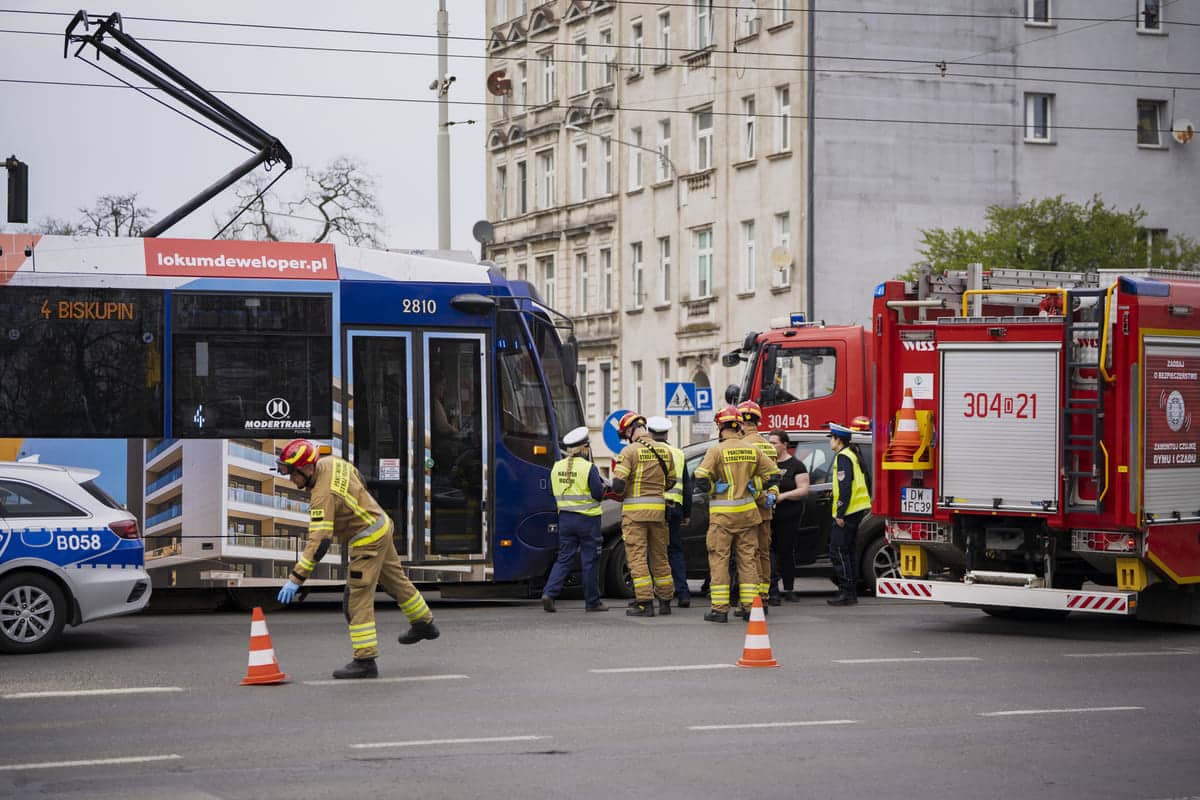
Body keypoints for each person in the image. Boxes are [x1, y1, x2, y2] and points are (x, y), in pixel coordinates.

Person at [275, 438, 440, 679]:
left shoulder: (323, 495)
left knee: (356, 597)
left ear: (307, 468)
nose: (291, 479)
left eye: (292, 474)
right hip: (380, 524)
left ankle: (365, 660)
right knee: (395, 580)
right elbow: (359, 480)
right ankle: (424, 623)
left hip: (366, 540)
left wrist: (295, 579)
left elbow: (319, 542)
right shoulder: (332, 462)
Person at [694, 406, 779, 623]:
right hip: (748, 516)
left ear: (721, 426)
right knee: (748, 561)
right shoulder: (753, 449)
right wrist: (755, 487)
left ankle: (720, 610)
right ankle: (751, 608)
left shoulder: (716, 451)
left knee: (720, 560)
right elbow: (774, 475)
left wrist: (715, 488)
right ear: (739, 425)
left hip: (723, 517)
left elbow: (701, 480)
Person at [610, 411, 678, 617]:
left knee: (637, 558)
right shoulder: (665, 451)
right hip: (658, 514)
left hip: (635, 515)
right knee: (660, 556)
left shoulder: (630, 452)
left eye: (625, 434)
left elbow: (619, 484)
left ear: (630, 430)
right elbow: (672, 481)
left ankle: (645, 603)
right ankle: (665, 601)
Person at [542, 426, 609, 613]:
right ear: (585, 448)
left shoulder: (557, 466)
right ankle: (592, 602)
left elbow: (551, 491)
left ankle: (549, 593)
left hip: (565, 520)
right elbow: (597, 495)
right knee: (590, 561)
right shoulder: (589, 468)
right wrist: (604, 487)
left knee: (564, 559)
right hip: (588, 522)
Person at [736, 401, 781, 612]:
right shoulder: (768, 446)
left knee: (748, 554)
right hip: (766, 509)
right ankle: (763, 596)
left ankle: (751, 597)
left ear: (742, 423)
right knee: (764, 553)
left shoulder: (743, 446)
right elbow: (774, 478)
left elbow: (745, 479)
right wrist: (771, 495)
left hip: (747, 507)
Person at [647, 416, 692, 608]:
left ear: (649, 433)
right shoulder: (678, 453)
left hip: (654, 508)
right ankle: (683, 594)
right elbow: (687, 486)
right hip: (674, 509)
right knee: (675, 550)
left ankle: (657, 593)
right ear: (667, 433)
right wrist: (687, 513)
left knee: (655, 552)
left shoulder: (646, 451)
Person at [826, 422, 872, 606]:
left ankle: (846, 592)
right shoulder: (853, 454)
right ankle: (850, 591)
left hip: (849, 510)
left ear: (838, 440)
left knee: (838, 550)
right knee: (848, 550)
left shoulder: (843, 457)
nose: (830, 441)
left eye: (831, 438)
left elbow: (845, 487)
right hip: (857, 509)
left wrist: (840, 513)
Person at [766, 429, 809, 603]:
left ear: (785, 445)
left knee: (786, 552)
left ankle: (789, 589)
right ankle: (772, 589)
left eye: (774, 442)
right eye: (769, 443)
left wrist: (782, 496)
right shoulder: (767, 464)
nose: (771, 446)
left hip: (788, 515)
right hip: (769, 516)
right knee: (769, 552)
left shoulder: (796, 465)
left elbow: (803, 489)